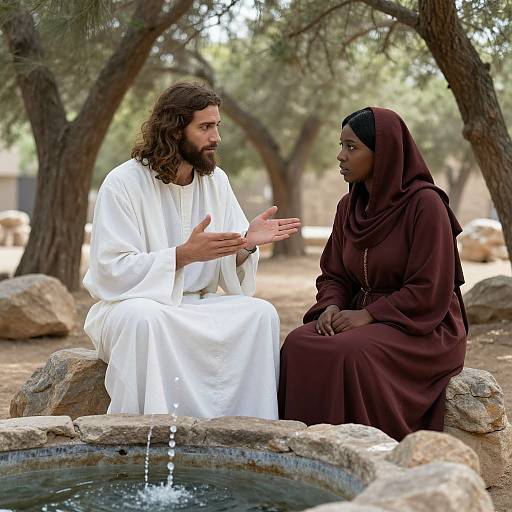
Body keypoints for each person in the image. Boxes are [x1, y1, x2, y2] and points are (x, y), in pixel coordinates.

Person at [83, 82, 301, 419]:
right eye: (205, 127)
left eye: (217, 126)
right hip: (133, 305)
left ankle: (246, 430)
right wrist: (182, 255)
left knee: (260, 314)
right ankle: (151, 435)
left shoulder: (216, 181)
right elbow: (111, 269)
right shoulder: (123, 183)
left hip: (198, 303)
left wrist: (245, 246)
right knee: (144, 319)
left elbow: (228, 263)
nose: (216, 137)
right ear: (173, 130)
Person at [278, 107, 467, 440]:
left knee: (348, 353)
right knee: (298, 343)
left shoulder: (426, 206)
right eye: (341, 145)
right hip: (358, 316)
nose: (341, 156)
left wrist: (369, 314)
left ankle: (362, 452)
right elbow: (333, 274)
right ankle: (304, 452)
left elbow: (429, 289)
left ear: (385, 153)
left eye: (352, 147)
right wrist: (331, 307)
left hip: (423, 325)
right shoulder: (347, 208)